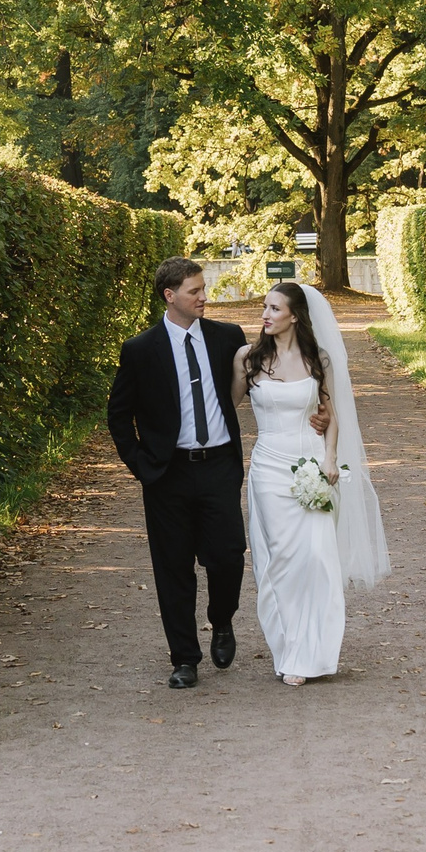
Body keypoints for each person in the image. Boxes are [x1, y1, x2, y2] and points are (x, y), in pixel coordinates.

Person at [105, 259, 260, 689]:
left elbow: (265, 380)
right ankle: (185, 658)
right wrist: (141, 466)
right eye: (195, 291)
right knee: (173, 568)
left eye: (203, 288)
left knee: (228, 556)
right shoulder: (140, 349)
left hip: (218, 467)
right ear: (170, 296)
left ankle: (222, 620)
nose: (204, 297)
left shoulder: (227, 337)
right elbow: (118, 414)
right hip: (167, 474)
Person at [232, 283, 391, 685]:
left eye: (274, 308)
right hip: (268, 466)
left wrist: (330, 457)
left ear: (295, 316)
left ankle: (314, 653)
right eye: (264, 307)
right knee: (280, 559)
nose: (265, 314)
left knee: (317, 559)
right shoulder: (248, 359)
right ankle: (288, 649)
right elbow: (226, 405)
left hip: (309, 464)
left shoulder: (317, 359)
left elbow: (330, 413)